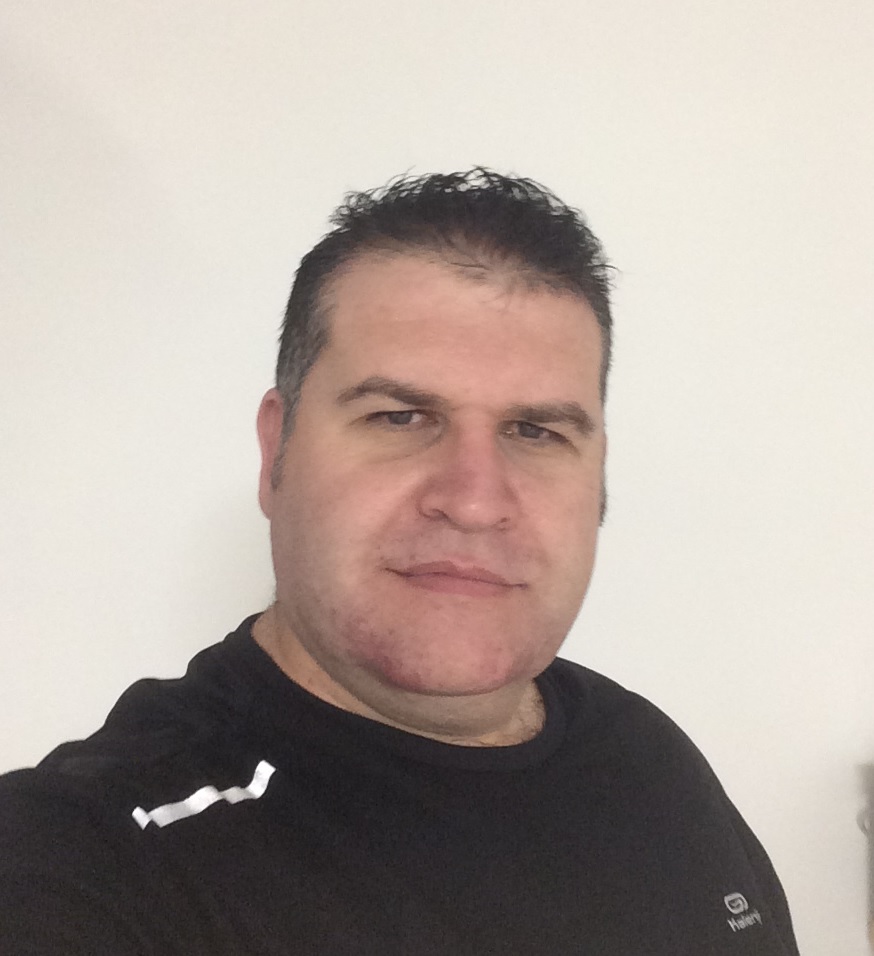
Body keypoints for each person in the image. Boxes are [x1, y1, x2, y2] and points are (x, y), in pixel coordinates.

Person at [0, 169, 799, 955]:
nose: (475, 500)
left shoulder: (645, 756)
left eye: (535, 432)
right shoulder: (85, 854)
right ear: (277, 451)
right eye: (401, 416)